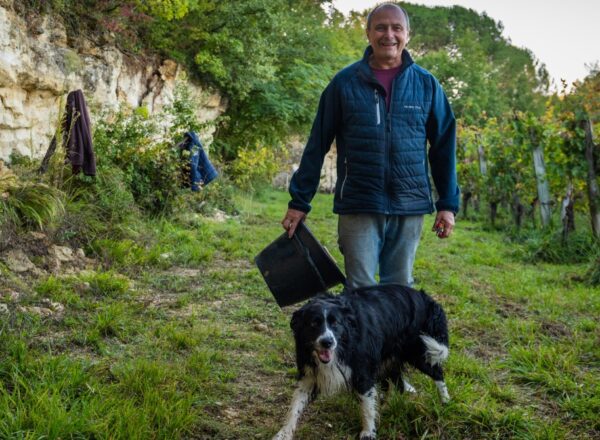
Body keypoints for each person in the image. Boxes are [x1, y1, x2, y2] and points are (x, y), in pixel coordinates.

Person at [281, 3, 459, 289]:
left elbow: (443, 147)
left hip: (408, 203)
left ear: (407, 34)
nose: (388, 34)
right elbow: (317, 144)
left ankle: (394, 336)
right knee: (360, 289)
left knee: (399, 289)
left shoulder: (427, 85)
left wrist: (448, 204)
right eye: (380, 27)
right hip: (359, 202)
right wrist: (299, 202)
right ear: (368, 33)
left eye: (396, 28)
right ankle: (362, 336)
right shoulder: (344, 83)